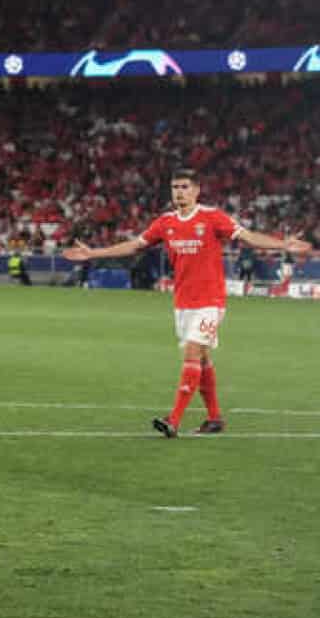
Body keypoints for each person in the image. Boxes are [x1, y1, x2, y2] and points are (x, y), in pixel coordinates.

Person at [63, 169, 309, 437]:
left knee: (192, 353)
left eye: (184, 187)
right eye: (175, 187)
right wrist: (94, 253)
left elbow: (247, 237)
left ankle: (173, 420)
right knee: (202, 360)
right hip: (183, 303)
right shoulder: (165, 223)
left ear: (196, 190)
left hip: (210, 301)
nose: (178, 192)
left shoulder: (212, 217)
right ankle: (215, 418)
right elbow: (135, 245)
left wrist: (283, 245)